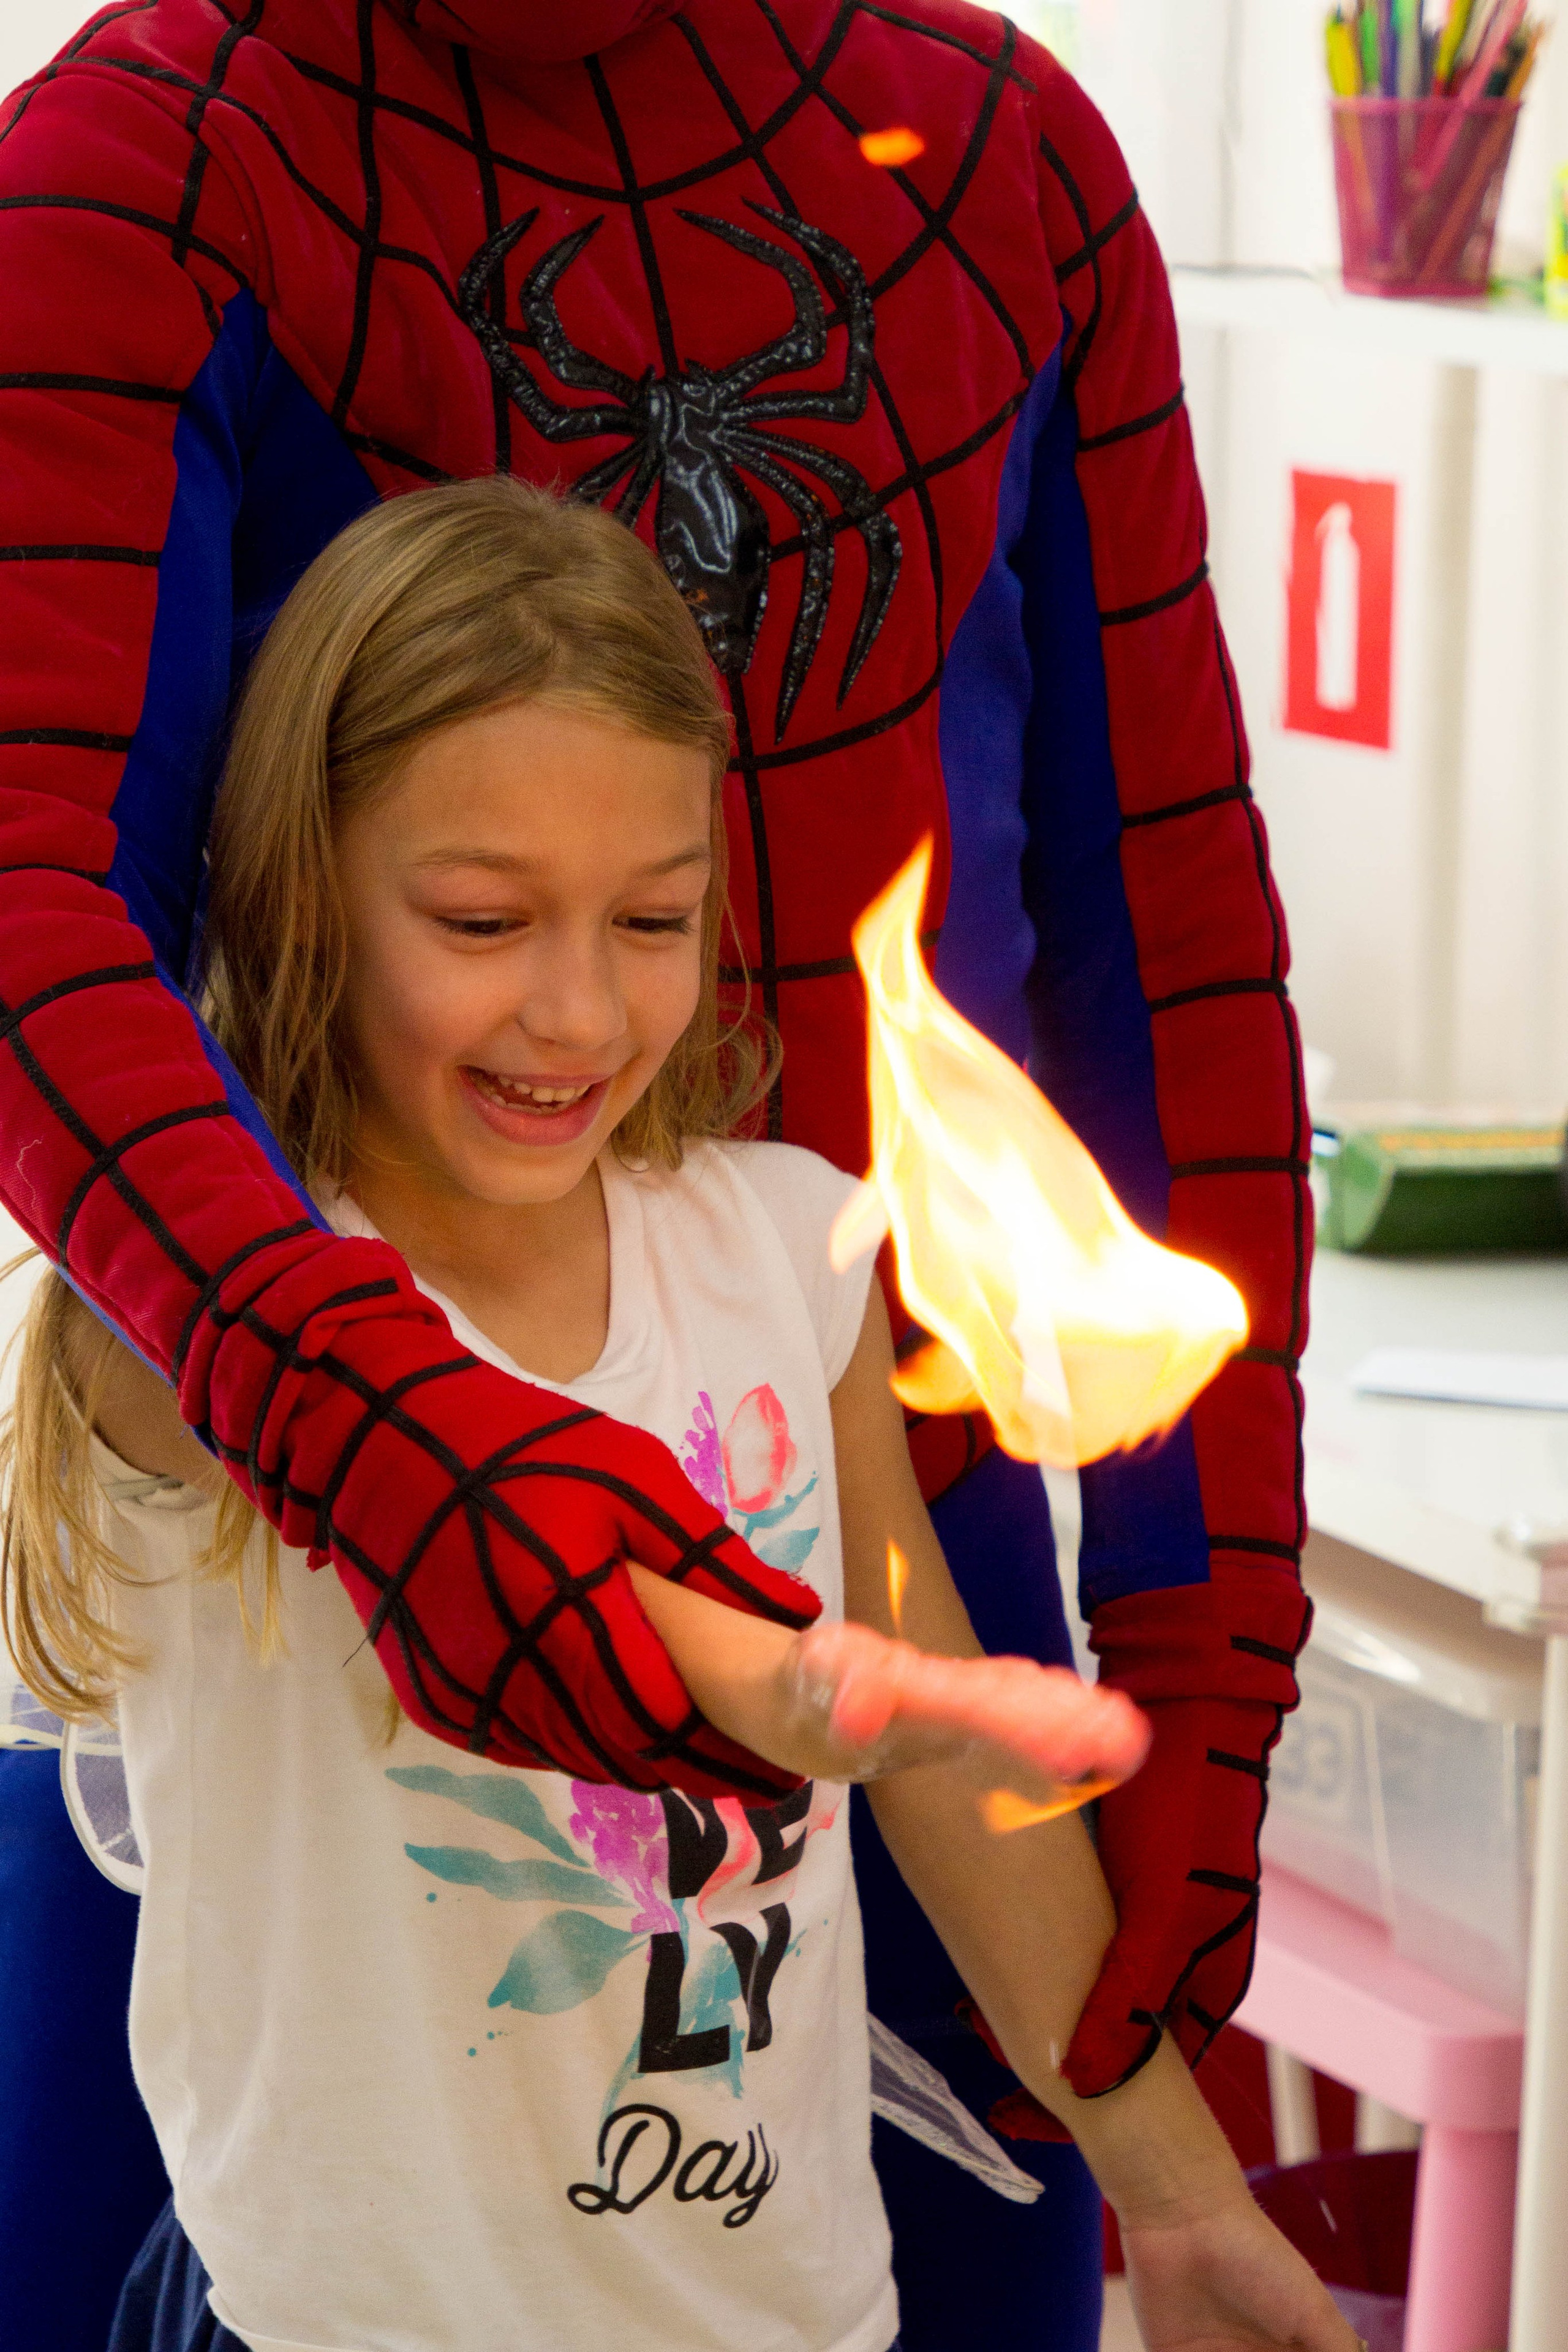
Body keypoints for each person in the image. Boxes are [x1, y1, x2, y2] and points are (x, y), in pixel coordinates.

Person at [0, 7, 1313, 2347]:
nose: (579, 1012)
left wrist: (1219, 1614)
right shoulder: (154, 161)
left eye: (652, 917)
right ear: (319, 888)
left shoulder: (775, 1266)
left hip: (786, 2123)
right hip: (296, 1605)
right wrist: (377, 1430)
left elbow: (1165, 934)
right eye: (485, 921)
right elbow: (28, 907)